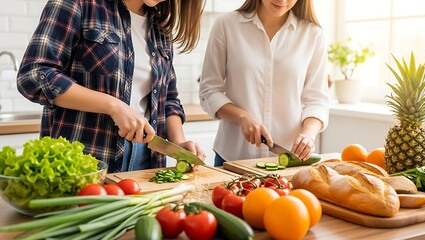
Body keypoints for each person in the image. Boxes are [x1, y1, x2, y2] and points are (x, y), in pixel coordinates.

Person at [17, 0, 205, 173]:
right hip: (84, 161)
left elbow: (168, 97)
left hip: (146, 159)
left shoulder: (159, 27)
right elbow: (33, 75)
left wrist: (179, 142)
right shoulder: (79, 3)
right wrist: (113, 106)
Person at [199, 0, 329, 166]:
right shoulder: (226, 25)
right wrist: (243, 117)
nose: (282, 1)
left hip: (287, 161)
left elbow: (317, 100)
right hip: (233, 158)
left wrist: (308, 135)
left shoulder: (313, 34)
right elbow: (209, 91)